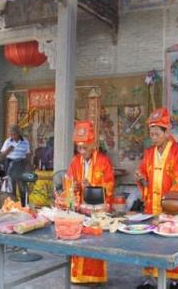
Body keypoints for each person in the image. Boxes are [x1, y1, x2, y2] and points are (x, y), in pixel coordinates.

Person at [135, 108, 178, 289]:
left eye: (157, 133)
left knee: (170, 241)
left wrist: (168, 202)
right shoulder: (149, 152)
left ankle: (173, 279)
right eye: (151, 134)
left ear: (167, 132)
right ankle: (149, 278)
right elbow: (142, 170)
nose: (154, 137)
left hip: (171, 207)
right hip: (151, 204)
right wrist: (141, 177)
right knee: (150, 241)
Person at [66, 120, 114, 285]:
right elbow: (69, 185)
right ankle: (77, 276)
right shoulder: (74, 162)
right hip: (79, 209)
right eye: (79, 147)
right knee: (78, 242)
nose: (81, 151)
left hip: (96, 211)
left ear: (93, 145)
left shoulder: (103, 161)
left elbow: (109, 186)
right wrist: (77, 186)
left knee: (94, 244)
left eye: (84, 147)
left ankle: (95, 277)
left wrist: (91, 188)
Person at [0, 124, 31, 206]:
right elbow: (2, 156)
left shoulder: (25, 141)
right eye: (11, 134)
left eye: (14, 134)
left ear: (19, 133)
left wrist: (29, 166)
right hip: (10, 164)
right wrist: (8, 149)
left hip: (21, 164)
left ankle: (25, 206)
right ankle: (12, 206)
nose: (12, 136)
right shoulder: (7, 141)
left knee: (22, 187)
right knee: (11, 187)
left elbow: (28, 155)